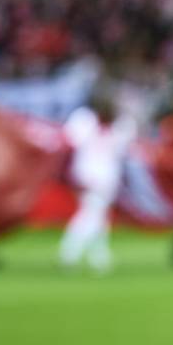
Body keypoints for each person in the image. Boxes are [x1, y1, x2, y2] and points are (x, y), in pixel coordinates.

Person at [59, 92, 136, 273]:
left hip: (107, 177)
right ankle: (69, 253)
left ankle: (99, 257)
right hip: (88, 175)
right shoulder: (83, 121)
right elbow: (70, 145)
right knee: (90, 215)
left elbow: (123, 150)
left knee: (98, 216)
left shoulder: (120, 126)